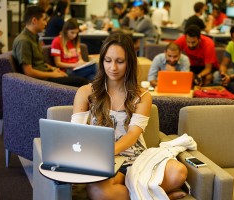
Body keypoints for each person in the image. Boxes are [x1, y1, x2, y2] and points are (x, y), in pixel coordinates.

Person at [72, 32, 188, 200]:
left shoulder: (142, 96)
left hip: (137, 159)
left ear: (130, 62)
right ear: (102, 61)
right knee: (99, 192)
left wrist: (110, 151)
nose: (113, 67)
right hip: (105, 162)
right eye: (108, 61)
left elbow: (133, 134)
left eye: (120, 61)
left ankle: (145, 193)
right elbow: (76, 132)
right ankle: (159, 195)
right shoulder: (85, 92)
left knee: (179, 172)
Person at [12, 6, 88, 87]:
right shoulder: (24, 41)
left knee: (83, 79)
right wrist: (52, 74)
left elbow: (40, 63)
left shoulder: (34, 37)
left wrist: (54, 69)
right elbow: (28, 72)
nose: (46, 23)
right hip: (40, 81)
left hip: (46, 74)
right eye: (44, 19)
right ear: (34, 20)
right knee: (81, 82)